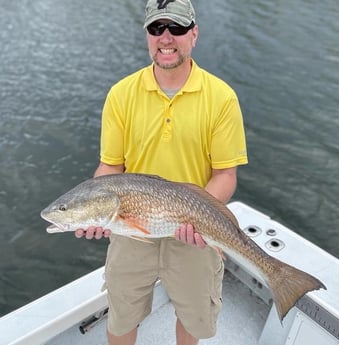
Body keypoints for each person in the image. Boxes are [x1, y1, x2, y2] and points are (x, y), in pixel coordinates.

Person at [75, 0, 248, 344]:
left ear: (194, 34)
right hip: (130, 228)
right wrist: (94, 210)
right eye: (156, 28)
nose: (166, 37)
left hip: (195, 234)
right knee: (122, 316)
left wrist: (198, 218)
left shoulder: (221, 98)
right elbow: (111, 166)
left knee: (193, 317)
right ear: (147, 36)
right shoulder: (121, 95)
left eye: (177, 28)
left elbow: (225, 174)